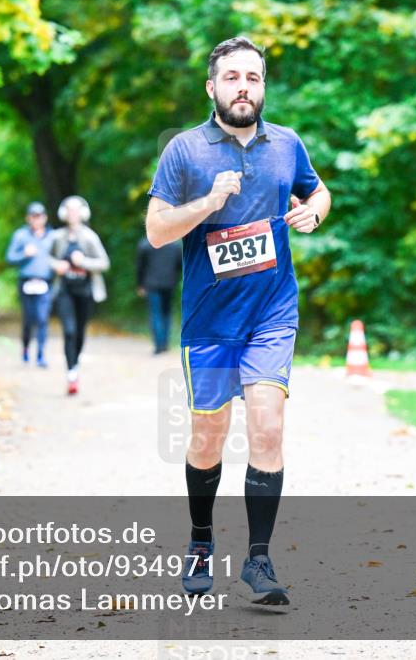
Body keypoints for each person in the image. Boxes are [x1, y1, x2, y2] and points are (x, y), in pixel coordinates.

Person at [145, 37, 331, 606]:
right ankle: (201, 542)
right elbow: (156, 231)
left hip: (272, 312)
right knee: (208, 437)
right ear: (212, 87)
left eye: (253, 77)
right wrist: (206, 204)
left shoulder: (286, 144)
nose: (243, 87)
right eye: (232, 77)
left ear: (263, 86)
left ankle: (259, 560)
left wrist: (312, 213)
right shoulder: (184, 150)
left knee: (269, 427)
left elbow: (318, 190)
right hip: (209, 323)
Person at [47, 195, 110, 395]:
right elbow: (47, 258)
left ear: (83, 213)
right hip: (65, 291)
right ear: (64, 214)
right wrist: (57, 265)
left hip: (85, 292)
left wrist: (83, 262)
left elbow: (103, 263)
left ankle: (75, 365)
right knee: (69, 331)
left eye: (76, 210)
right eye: (69, 210)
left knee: (80, 333)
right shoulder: (57, 237)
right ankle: (71, 372)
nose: (73, 214)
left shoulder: (90, 237)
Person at [6, 201, 54, 367]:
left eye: (39, 216)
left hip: (45, 283)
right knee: (28, 319)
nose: (36, 220)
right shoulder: (20, 236)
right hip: (26, 282)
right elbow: (10, 257)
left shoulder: (52, 236)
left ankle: (41, 354)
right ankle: (26, 348)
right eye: (33, 216)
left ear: (45, 218)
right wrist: (24, 254)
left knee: (42, 318)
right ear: (28, 218)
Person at [136, 234, 182, 354]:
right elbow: (180, 266)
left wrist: (140, 284)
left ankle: (158, 345)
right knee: (167, 314)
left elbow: (140, 267)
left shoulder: (145, 244)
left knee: (155, 314)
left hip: (151, 284)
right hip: (169, 284)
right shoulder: (175, 246)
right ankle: (165, 344)